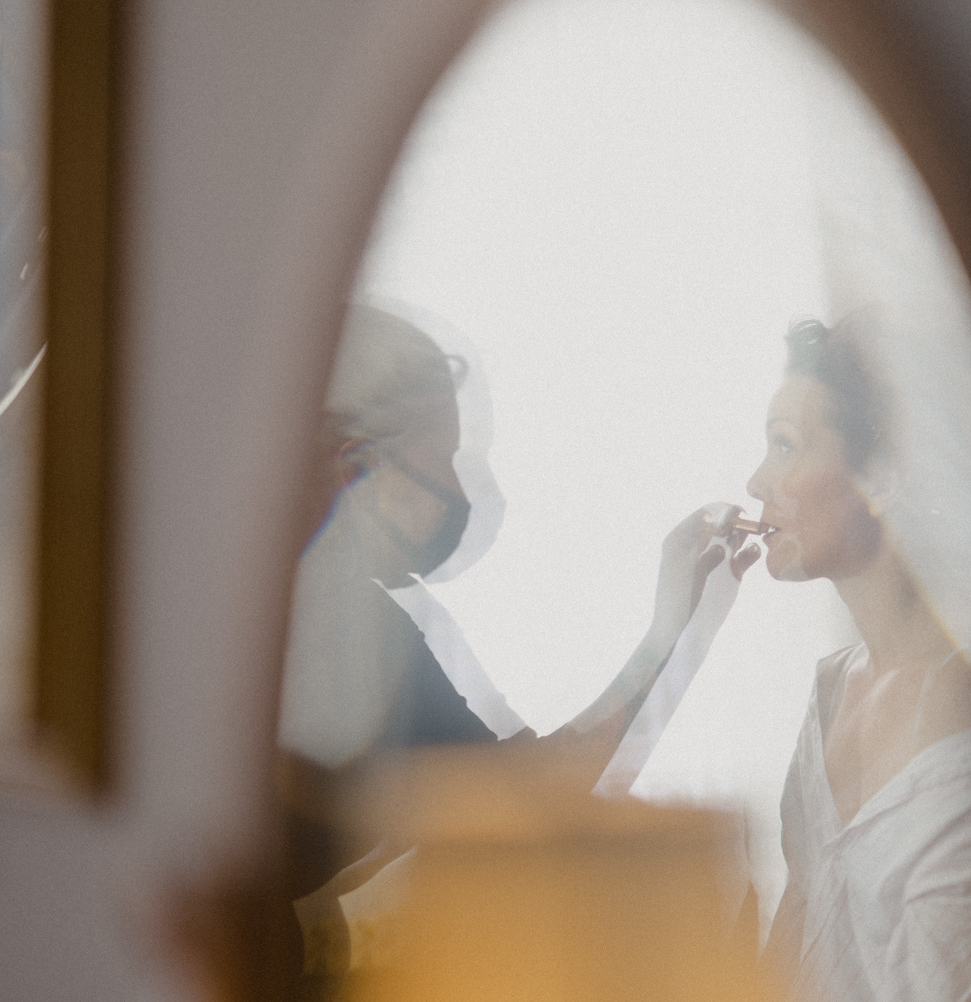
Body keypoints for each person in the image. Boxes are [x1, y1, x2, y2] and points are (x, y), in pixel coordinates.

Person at [277, 302, 760, 969]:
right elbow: (542, 789)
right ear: (352, 464)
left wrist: (671, 630)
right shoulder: (343, 638)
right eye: (441, 459)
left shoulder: (348, 625)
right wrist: (665, 630)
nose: (460, 490)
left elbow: (526, 786)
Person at [744, 313, 971, 1002]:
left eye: (786, 447)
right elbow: (792, 953)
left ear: (884, 478)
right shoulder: (831, 692)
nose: (758, 481)